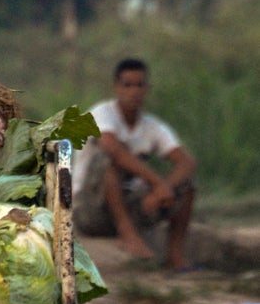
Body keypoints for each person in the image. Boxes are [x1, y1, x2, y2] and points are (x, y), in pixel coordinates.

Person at [74, 58, 197, 270]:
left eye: (140, 85)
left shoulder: (152, 126)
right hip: (90, 210)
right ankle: (127, 233)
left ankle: (174, 255)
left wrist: (163, 189)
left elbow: (186, 162)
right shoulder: (102, 114)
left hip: (135, 206)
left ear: (147, 89)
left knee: (187, 186)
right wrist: (158, 183)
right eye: (127, 85)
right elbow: (112, 148)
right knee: (108, 160)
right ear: (116, 88)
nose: (134, 91)